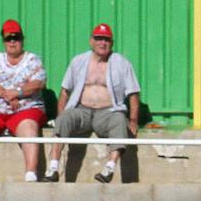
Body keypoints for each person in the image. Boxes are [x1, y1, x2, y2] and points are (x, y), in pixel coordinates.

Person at [43, 23, 140, 184]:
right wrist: (61, 116)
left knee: (119, 120)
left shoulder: (122, 63)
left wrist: (134, 121)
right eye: (99, 38)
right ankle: (53, 168)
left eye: (106, 39)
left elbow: (133, 94)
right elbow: (65, 91)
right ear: (91, 41)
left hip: (109, 112)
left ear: (112, 43)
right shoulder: (78, 61)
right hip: (82, 111)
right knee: (64, 119)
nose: (102, 43)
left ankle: (109, 169)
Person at [0, 20, 47, 182]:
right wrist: (7, 94)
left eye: (16, 38)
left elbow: (38, 83)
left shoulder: (33, 59)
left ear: (22, 39)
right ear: (4, 41)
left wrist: (18, 93)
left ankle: (31, 175)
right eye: (9, 38)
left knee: (29, 128)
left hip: (25, 108)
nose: (13, 42)